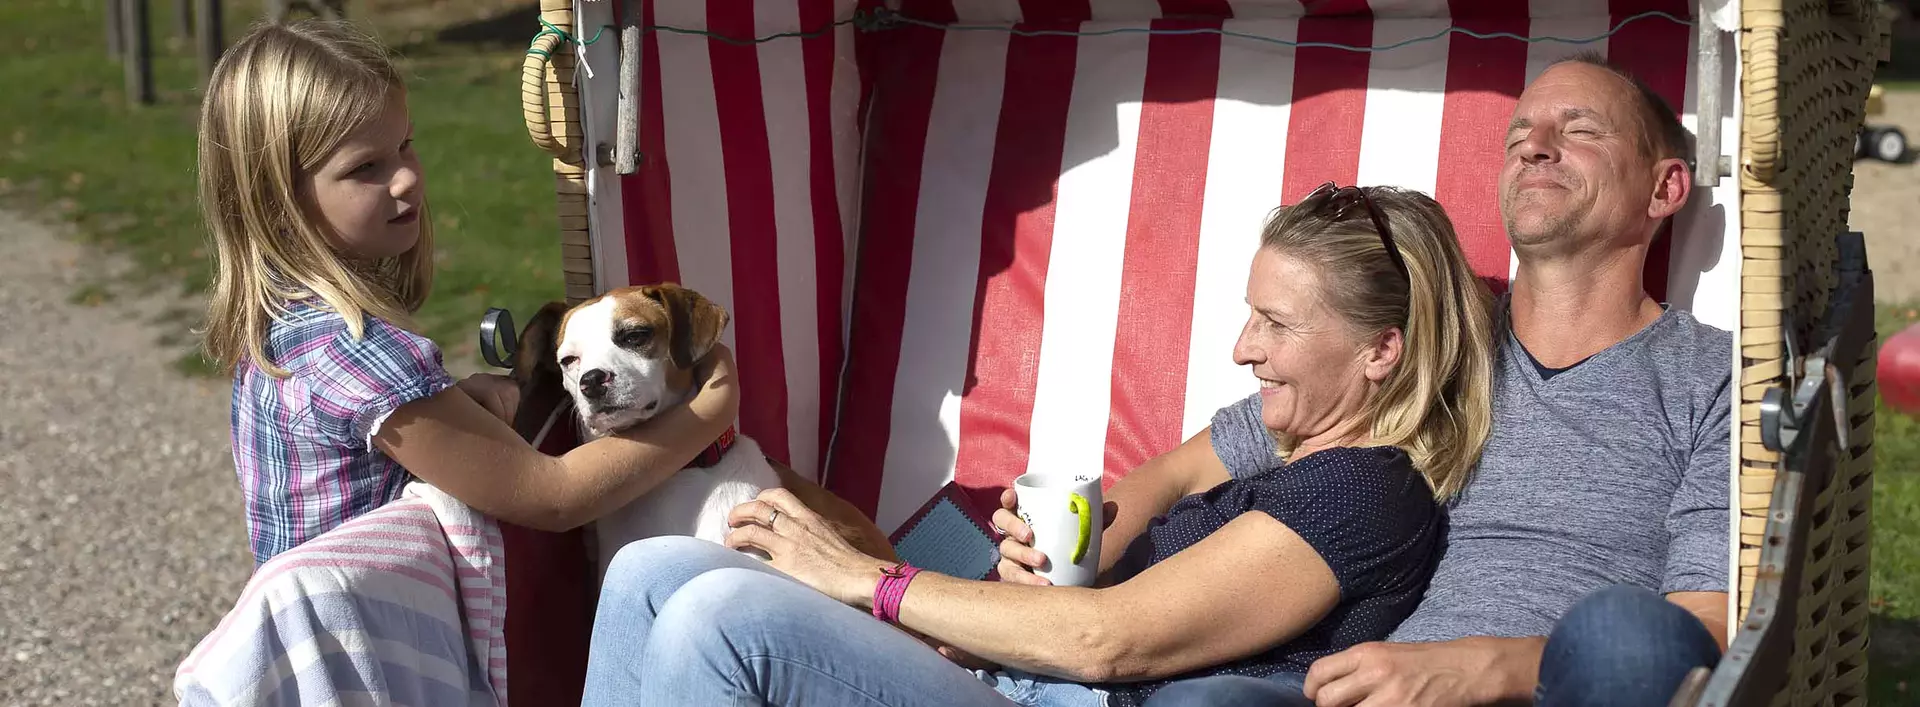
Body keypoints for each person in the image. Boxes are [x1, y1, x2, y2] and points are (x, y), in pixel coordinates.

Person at [577, 183, 1500, 707]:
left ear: (1382, 351)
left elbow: (1110, 643)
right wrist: (1068, 541)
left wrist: (873, 581)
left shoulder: (1365, 494)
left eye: (1275, 324)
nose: (1241, 347)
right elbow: (1156, 484)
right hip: (1017, 671)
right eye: (1247, 314)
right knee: (651, 570)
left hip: (1067, 700)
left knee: (717, 616)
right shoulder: (1283, 428)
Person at [1141, 52, 1733, 707]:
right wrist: (1065, 554)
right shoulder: (1440, 331)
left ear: (1665, 189)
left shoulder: (1712, 377)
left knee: (1632, 634)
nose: (1534, 147)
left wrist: (1497, 667)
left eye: (1580, 131)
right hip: (1357, 686)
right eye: (1518, 136)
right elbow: (1179, 472)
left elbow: (1700, 633)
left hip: (1564, 687)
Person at [196, 20, 741, 566]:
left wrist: (449, 404)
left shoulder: (286, 329)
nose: (407, 178)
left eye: (405, 145)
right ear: (278, 201)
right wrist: (706, 417)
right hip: (383, 637)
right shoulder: (362, 351)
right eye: (366, 167)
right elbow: (554, 496)